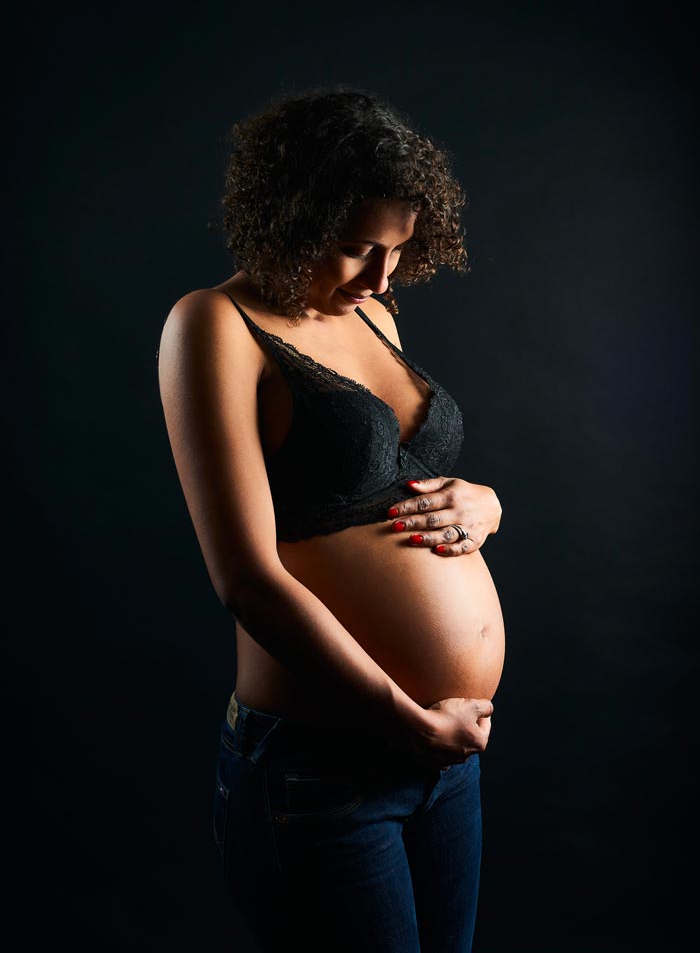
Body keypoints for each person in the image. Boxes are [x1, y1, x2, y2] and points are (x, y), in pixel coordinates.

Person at [157, 85, 505, 952]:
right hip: (322, 767)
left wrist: (487, 504)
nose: (381, 277)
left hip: (440, 762)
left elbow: (391, 483)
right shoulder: (215, 325)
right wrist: (405, 718)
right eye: (355, 248)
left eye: (396, 250)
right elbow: (245, 577)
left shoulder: (374, 313)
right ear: (291, 218)